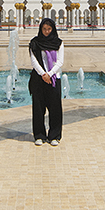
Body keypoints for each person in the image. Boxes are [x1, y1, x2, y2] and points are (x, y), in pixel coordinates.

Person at [28, 18, 64, 146]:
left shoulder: (59, 43)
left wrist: (49, 74)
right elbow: (34, 61)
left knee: (55, 108)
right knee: (38, 108)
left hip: (54, 78)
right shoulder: (35, 43)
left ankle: (54, 136)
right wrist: (43, 74)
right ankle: (39, 135)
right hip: (39, 79)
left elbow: (60, 61)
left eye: (49, 29)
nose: (46, 31)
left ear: (53, 29)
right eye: (44, 29)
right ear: (40, 29)